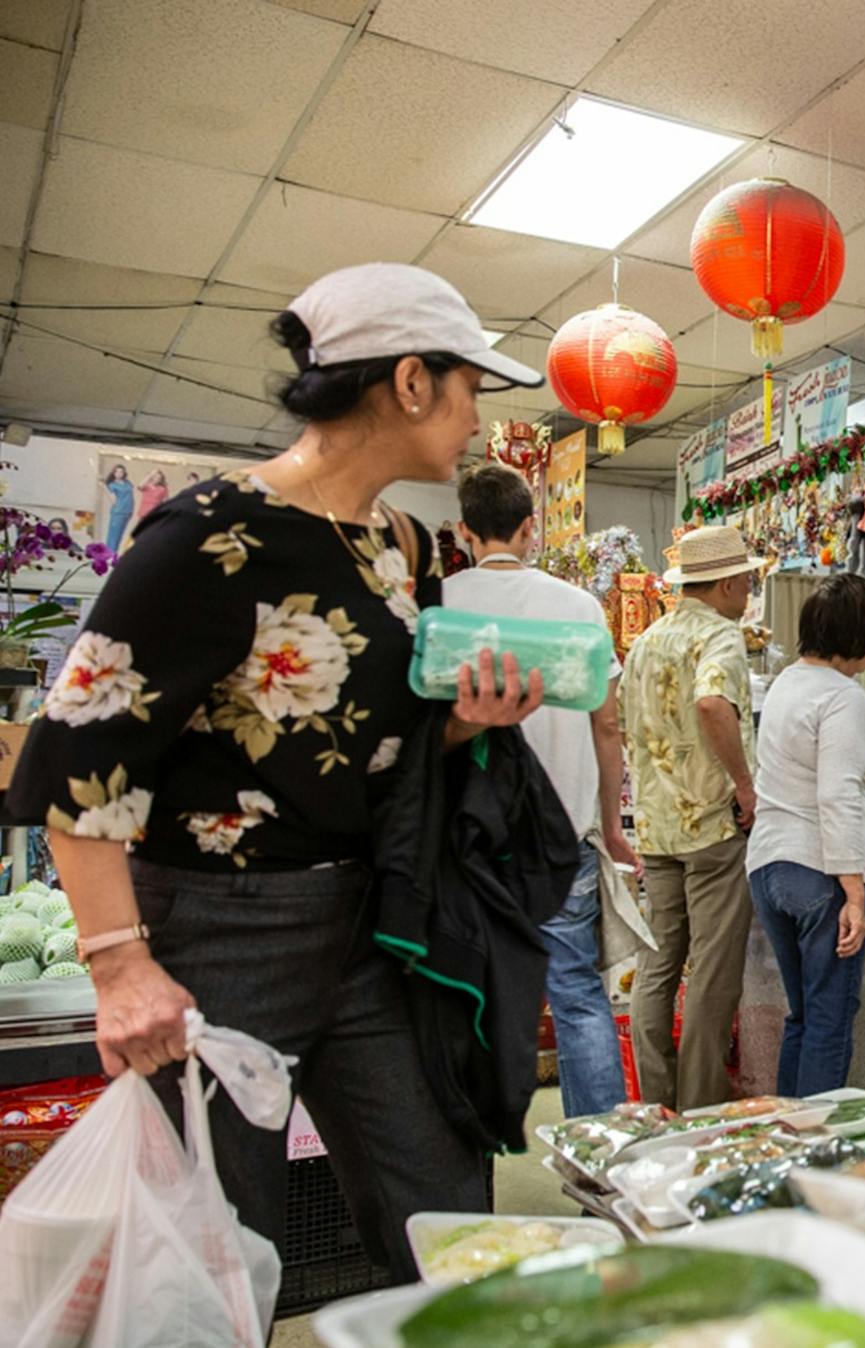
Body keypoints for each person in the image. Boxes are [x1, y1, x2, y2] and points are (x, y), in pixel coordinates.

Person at [6, 262, 546, 1281]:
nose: (480, 417)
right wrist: (118, 966)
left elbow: (374, 745)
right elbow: (78, 750)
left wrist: (469, 725)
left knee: (444, 1203)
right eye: (472, 385)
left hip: (373, 923)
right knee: (213, 1245)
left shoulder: (406, 547)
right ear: (411, 382)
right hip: (217, 936)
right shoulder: (212, 536)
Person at [443, 462, 637, 1118]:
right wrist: (610, 826)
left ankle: (468, 1159)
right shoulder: (579, 607)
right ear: (532, 528)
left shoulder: (440, 605)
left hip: (464, 838)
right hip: (562, 835)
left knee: (469, 994)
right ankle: (601, 1163)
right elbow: (607, 724)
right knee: (578, 995)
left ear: (464, 530)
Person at [619, 524, 762, 1109]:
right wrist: (745, 785)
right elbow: (710, 703)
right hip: (711, 824)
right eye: (748, 578)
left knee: (657, 966)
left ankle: (656, 1101)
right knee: (711, 972)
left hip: (657, 828)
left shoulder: (648, 639)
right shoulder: (721, 637)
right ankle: (700, 1107)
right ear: (727, 582)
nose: (750, 587)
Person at [745, 574, 865, 1095]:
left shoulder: (785, 682)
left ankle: (789, 1146)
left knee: (802, 1016)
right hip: (817, 870)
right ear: (863, 638)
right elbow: (837, 794)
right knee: (829, 1022)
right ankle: (819, 1156)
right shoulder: (842, 696)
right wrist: (854, 891)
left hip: (767, 866)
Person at [101, 464, 132, 553]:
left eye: (121, 471)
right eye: (117, 471)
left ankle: (114, 554)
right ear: (114, 473)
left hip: (128, 511)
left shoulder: (127, 483)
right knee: (113, 535)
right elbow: (113, 500)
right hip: (118, 511)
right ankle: (109, 554)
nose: (119, 473)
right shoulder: (112, 485)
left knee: (120, 535)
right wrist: (104, 487)